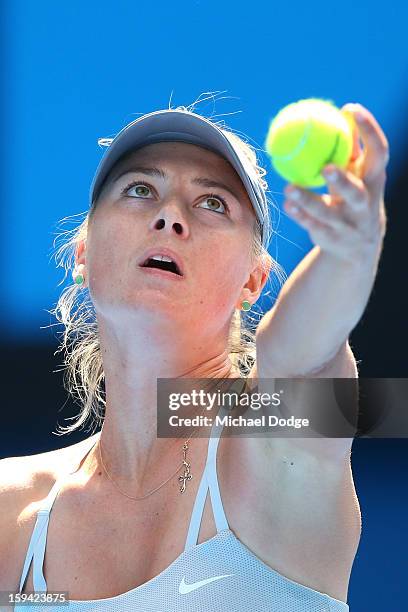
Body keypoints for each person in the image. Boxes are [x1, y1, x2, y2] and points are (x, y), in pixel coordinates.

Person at [0, 100, 389, 611]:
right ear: (83, 253)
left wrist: (347, 258)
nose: (170, 217)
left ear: (254, 280)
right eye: (141, 189)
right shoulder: (11, 510)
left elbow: (302, 360)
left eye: (212, 203)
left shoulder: (276, 445)